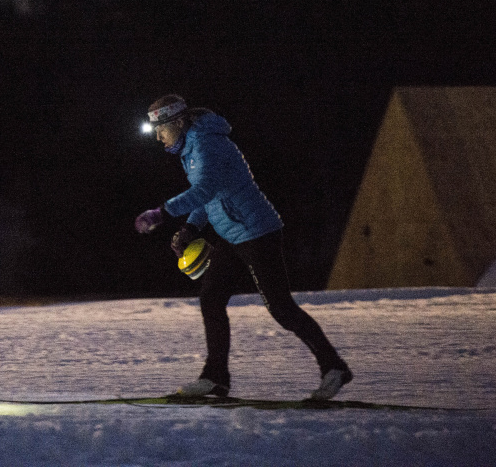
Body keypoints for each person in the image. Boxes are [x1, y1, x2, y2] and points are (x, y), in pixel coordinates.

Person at [135, 94, 352, 400]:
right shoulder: (191, 149)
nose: (158, 136)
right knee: (211, 298)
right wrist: (189, 228)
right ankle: (215, 378)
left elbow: (205, 189)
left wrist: (163, 212)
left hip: (257, 232)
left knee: (280, 308)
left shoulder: (208, 143)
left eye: (160, 129)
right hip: (232, 234)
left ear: (178, 122)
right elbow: (209, 196)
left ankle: (335, 367)